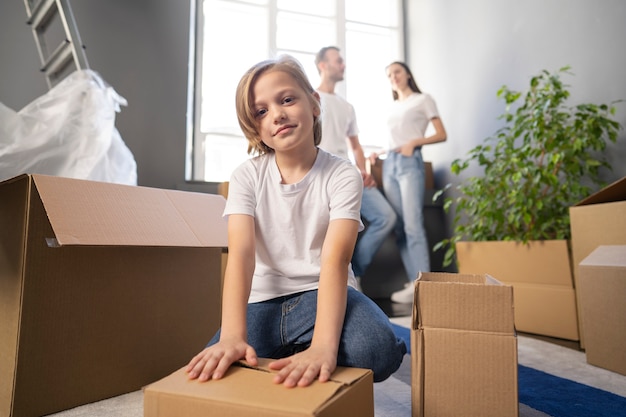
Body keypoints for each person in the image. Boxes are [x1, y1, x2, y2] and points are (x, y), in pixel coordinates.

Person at [186, 55, 406, 388]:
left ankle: (309, 344)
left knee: (378, 351)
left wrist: (323, 347)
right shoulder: (246, 176)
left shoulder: (343, 174)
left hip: (324, 294)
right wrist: (232, 336)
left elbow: (335, 262)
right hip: (264, 301)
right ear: (255, 127)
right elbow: (242, 257)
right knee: (217, 368)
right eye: (261, 111)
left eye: (287, 99)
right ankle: (297, 346)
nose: (277, 114)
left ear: (314, 105)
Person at [314, 46, 396, 289]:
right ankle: (334, 277)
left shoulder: (347, 106)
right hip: (321, 172)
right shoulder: (310, 98)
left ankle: (353, 271)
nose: (343, 65)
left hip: (348, 172)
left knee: (386, 216)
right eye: (338, 61)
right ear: (323, 65)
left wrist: (364, 171)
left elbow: (356, 146)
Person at [370, 61, 447, 304]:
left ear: (407, 74)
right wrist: (379, 153)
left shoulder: (423, 99)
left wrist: (414, 142)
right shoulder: (394, 106)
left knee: (413, 225)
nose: (393, 77)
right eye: (389, 75)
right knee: (402, 227)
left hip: (409, 162)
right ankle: (415, 282)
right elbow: (395, 140)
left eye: (397, 72)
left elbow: (441, 133)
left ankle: (425, 286)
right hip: (391, 162)